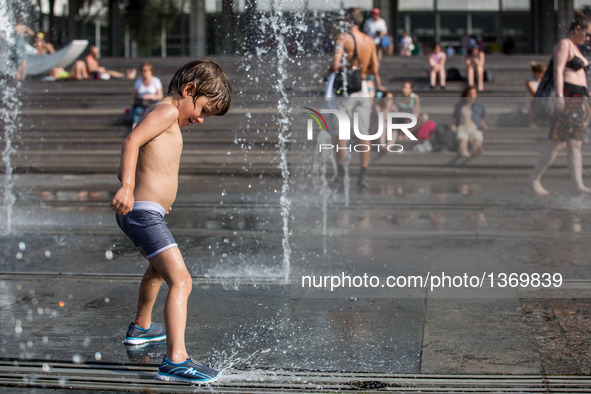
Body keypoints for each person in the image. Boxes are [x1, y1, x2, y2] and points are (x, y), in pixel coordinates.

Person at [111, 59, 231, 383]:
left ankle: (141, 327)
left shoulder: (168, 118)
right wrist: (127, 187)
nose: (202, 119)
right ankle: (176, 359)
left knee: (158, 269)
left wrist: (141, 190)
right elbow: (130, 142)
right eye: (203, 109)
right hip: (144, 214)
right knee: (182, 281)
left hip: (147, 212)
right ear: (189, 90)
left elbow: (142, 156)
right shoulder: (165, 112)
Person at [528, 12, 591, 196]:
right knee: (558, 142)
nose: (588, 38)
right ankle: (534, 178)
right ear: (577, 29)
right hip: (568, 96)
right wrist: (560, 95)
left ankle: (577, 184)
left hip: (578, 99)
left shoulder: (579, 48)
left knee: (575, 144)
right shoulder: (565, 44)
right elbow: (558, 71)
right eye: (586, 34)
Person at [329, 8, 379, 191]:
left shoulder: (343, 38)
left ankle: (340, 173)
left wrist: (328, 73)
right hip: (363, 86)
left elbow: (336, 64)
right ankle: (363, 175)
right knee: (364, 133)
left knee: (340, 131)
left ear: (349, 20)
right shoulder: (369, 40)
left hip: (346, 88)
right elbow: (375, 68)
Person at [452, 85, 487, 158]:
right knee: (462, 139)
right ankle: (463, 150)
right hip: (462, 127)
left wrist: (483, 125)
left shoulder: (480, 106)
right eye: (470, 93)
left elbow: (482, 119)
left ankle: (477, 149)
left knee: (476, 139)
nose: (471, 96)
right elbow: (455, 118)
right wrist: (454, 125)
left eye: (473, 94)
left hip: (474, 127)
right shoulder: (459, 105)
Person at [131, 62, 164, 129]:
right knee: (137, 111)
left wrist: (149, 96)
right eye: (142, 70)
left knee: (148, 112)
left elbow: (160, 96)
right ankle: (135, 128)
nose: (144, 72)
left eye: (146, 70)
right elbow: (134, 96)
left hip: (153, 102)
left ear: (150, 71)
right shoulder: (138, 82)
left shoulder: (156, 81)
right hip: (142, 103)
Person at [526, 62, 547, 128]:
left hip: (543, 100)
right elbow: (534, 93)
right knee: (534, 104)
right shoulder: (530, 81)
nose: (543, 75)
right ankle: (531, 121)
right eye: (541, 73)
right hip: (533, 100)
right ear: (536, 72)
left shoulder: (543, 81)